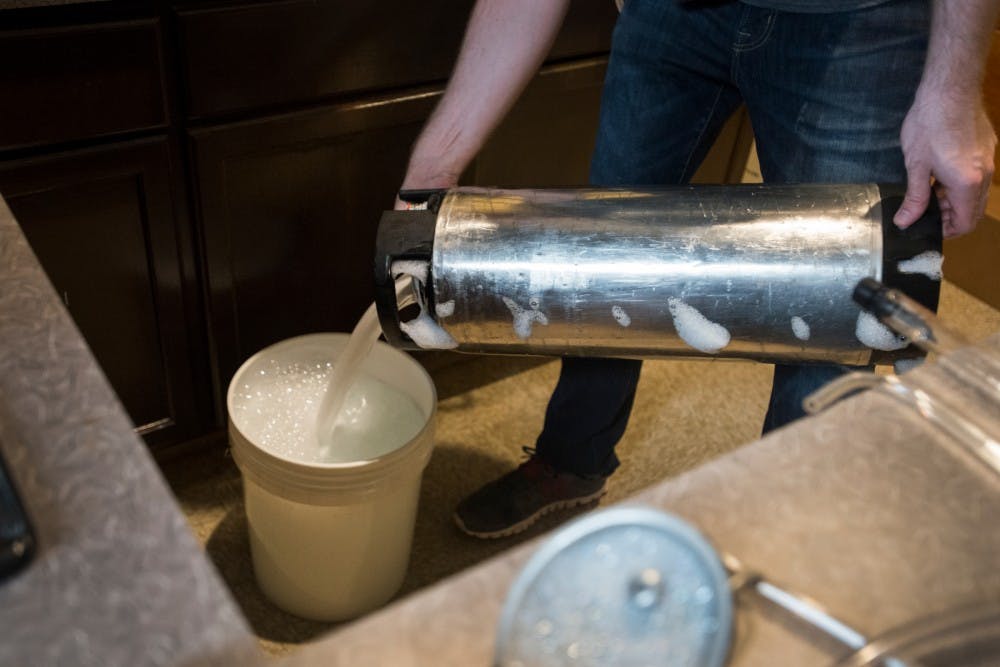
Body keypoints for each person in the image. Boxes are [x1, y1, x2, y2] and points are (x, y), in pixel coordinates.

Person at [397, 0, 998, 538]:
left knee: (843, 310)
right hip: (671, 12)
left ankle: (787, 543)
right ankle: (572, 461)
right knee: (593, 263)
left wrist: (952, 91)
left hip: (860, 21)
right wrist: (434, 167)